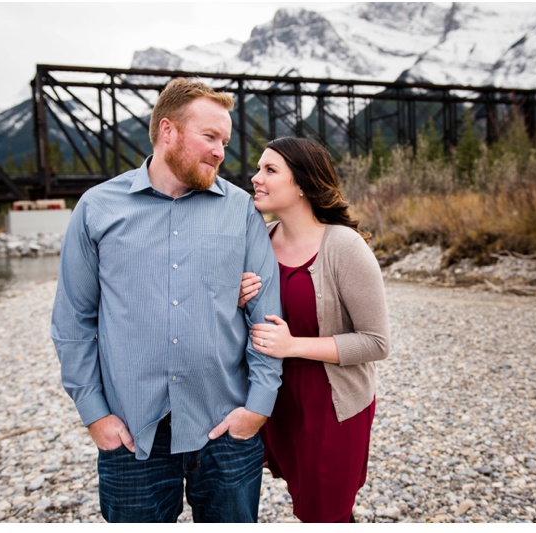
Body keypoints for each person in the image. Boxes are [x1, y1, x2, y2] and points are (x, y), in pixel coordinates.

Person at [50, 78, 283, 523]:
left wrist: (257, 408)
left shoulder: (241, 211)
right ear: (168, 131)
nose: (221, 151)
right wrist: (94, 414)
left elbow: (266, 317)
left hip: (224, 430)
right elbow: (73, 321)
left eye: (225, 141)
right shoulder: (98, 208)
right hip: (133, 434)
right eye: (209, 137)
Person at [240, 136, 390, 523]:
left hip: (332, 403)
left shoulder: (344, 246)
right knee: (307, 502)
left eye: (270, 170)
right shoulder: (260, 241)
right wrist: (236, 303)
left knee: (325, 512)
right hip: (279, 400)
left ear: (303, 183)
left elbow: (376, 342)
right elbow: (252, 330)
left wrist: (293, 345)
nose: (256, 178)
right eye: (258, 168)